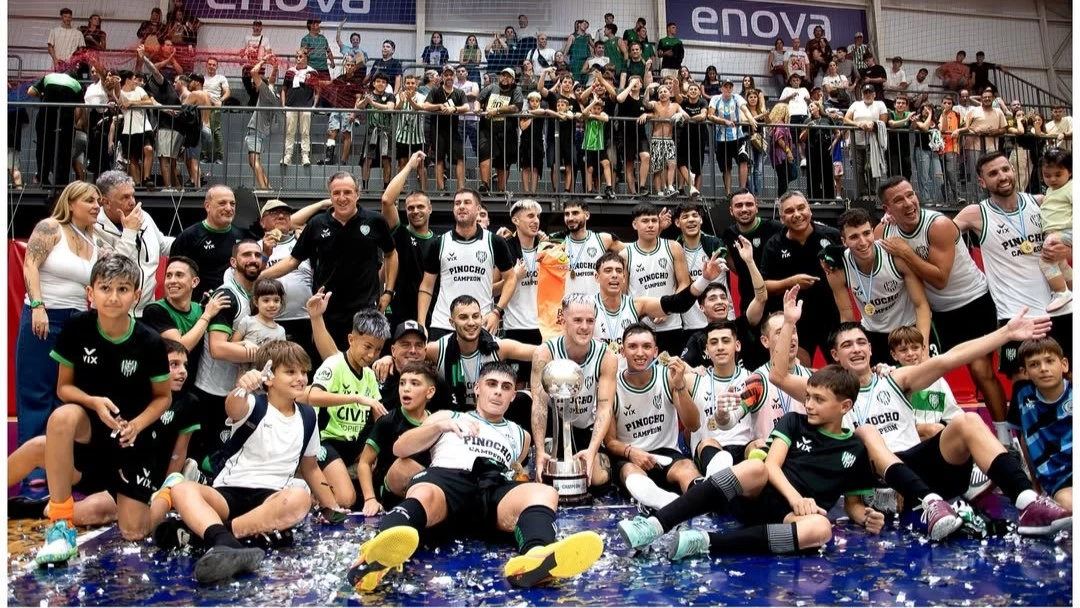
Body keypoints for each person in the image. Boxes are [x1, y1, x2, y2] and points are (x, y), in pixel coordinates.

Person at [772, 287, 1072, 537]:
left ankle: (1027, 502)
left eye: (862, 342)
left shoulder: (896, 378)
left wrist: (1005, 334)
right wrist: (788, 323)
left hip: (920, 465)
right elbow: (780, 377)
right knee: (866, 432)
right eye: (847, 345)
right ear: (835, 355)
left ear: (871, 349)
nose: (857, 349)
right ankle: (931, 503)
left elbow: (949, 359)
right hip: (879, 481)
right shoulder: (827, 391)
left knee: (967, 420)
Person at [616, 365, 945, 559]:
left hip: (790, 518)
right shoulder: (793, 421)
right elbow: (772, 467)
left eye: (819, 400)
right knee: (755, 467)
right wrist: (797, 498)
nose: (810, 404)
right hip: (761, 497)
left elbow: (853, 503)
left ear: (845, 406)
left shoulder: (856, 450)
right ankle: (655, 525)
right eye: (808, 397)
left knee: (822, 528)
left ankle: (703, 543)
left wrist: (865, 517)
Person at [346, 361, 604, 592]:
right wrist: (439, 427)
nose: (498, 392)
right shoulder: (449, 416)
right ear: (477, 389)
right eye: (491, 384)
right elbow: (399, 449)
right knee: (424, 491)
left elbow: (515, 470)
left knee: (545, 492)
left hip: (492, 485)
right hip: (448, 479)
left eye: (505, 387)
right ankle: (374, 558)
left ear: (513, 395)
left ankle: (534, 558)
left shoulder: (520, 436)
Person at [158, 341, 346, 584]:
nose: (300, 378)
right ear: (268, 378)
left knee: (301, 497)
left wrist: (331, 505)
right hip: (229, 491)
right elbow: (233, 406)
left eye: (303, 372)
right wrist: (242, 387)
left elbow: (310, 467)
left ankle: (218, 538)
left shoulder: (308, 416)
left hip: (271, 498)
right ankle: (233, 540)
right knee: (182, 488)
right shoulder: (254, 404)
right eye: (290, 372)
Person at [34, 255, 172, 565]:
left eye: (123, 289)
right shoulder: (76, 328)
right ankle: (61, 524)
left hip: (131, 440)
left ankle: (165, 495)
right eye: (105, 288)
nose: (112, 297)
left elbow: (163, 397)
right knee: (61, 418)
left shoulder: (149, 341)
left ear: (136, 295)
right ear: (90, 293)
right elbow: (63, 389)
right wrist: (94, 402)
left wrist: (136, 424)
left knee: (136, 533)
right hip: (91, 430)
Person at [875, 176, 1010, 444]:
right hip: (938, 311)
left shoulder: (938, 225)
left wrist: (906, 252)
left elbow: (940, 279)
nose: (908, 203)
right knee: (926, 371)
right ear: (887, 209)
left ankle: (1006, 439)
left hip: (972, 301)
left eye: (911, 195)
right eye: (898, 200)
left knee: (979, 369)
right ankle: (922, 440)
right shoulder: (884, 233)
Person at [8, 339, 197, 523]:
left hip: (138, 481)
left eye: (184, 365)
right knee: (39, 446)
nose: (182, 372)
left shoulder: (188, 403)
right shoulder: (133, 391)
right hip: (105, 466)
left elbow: (178, 453)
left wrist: (165, 490)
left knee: (95, 509)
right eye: (174, 364)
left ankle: (36, 508)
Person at [952, 153, 1073, 380]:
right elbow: (936, 233)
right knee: (1022, 388)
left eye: (1005, 169)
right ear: (982, 182)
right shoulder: (975, 214)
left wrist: (1069, 250)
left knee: (1071, 383)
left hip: (1061, 309)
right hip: (1016, 316)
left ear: (1013, 171)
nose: (1002, 176)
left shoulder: (1041, 203)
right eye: (993, 173)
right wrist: (891, 220)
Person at [15, 181, 101, 486]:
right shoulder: (50, 227)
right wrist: (38, 305)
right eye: (89, 200)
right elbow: (30, 265)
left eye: (98, 201)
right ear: (72, 201)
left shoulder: (95, 240)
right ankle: (35, 469)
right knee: (37, 392)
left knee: (67, 394)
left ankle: (64, 465)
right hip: (45, 315)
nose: (96, 205)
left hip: (78, 322)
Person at [260, 172, 397, 350]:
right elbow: (293, 260)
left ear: (358, 194)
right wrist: (261, 276)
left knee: (363, 364)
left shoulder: (375, 221)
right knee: (329, 366)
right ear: (330, 195)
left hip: (365, 310)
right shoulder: (317, 224)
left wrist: (388, 292)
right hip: (327, 312)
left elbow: (391, 254)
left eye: (347, 192)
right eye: (336, 193)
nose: (342, 198)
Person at [604, 324, 703, 511]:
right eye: (633, 346)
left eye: (647, 346)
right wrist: (632, 452)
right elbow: (609, 441)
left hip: (666, 454)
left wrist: (680, 385)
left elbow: (694, 424)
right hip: (630, 455)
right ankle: (668, 505)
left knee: (687, 469)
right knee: (630, 473)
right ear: (623, 351)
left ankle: (701, 509)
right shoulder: (612, 385)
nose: (640, 353)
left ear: (656, 351)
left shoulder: (667, 377)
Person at [303, 309, 392, 509]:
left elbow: (379, 415)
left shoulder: (369, 375)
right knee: (345, 499)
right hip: (325, 441)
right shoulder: (334, 364)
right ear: (351, 339)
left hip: (352, 446)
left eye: (378, 350)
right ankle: (306, 483)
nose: (371, 355)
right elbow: (313, 396)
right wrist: (357, 398)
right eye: (367, 347)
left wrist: (372, 447)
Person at [530, 294, 619, 488]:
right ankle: (543, 449)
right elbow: (539, 406)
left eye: (590, 320)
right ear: (563, 320)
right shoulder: (545, 353)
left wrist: (593, 450)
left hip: (585, 427)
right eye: (577, 320)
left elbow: (604, 408)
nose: (585, 327)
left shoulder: (607, 356)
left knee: (596, 480)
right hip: (556, 428)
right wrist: (539, 450)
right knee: (548, 478)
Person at [825, 208, 931, 365]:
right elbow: (847, 316)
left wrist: (924, 348)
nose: (862, 242)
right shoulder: (837, 268)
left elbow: (921, 305)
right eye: (854, 237)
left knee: (922, 383)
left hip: (908, 329)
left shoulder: (894, 256)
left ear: (873, 232)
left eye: (866, 233)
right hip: (873, 334)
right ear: (843, 241)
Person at [417, 190, 515, 340]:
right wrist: (421, 323)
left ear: (478, 209)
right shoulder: (439, 243)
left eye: (467, 202)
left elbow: (511, 278)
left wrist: (497, 312)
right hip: (444, 323)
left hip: (480, 322)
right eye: (457, 203)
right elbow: (426, 286)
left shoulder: (495, 242)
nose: (461, 206)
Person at [760, 191, 842, 365]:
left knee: (841, 369)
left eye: (801, 208)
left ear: (810, 211)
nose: (797, 214)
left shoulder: (832, 236)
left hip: (832, 316)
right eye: (789, 211)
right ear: (782, 218)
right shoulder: (774, 245)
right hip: (797, 321)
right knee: (800, 370)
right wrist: (791, 282)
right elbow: (764, 285)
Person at [355, 361, 438, 516]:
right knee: (404, 466)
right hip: (391, 492)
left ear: (430, 392)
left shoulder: (436, 423)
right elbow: (365, 463)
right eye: (402, 383)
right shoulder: (387, 421)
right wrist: (370, 499)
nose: (406, 388)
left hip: (426, 490)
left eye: (414, 383)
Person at [141, 256, 228, 391]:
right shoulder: (155, 310)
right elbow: (180, 347)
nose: (172, 281)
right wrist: (207, 315)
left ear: (194, 282)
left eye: (179, 275)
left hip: (193, 388)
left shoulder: (200, 309)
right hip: (162, 389)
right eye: (168, 276)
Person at [680, 237, 768, 371]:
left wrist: (749, 262)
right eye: (713, 298)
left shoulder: (742, 325)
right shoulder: (697, 339)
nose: (720, 301)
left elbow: (761, 298)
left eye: (723, 297)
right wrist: (692, 371)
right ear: (701, 307)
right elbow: (682, 366)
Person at [93, 171, 173, 317]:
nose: (132, 202)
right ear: (106, 202)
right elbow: (112, 268)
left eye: (133, 195)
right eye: (125, 197)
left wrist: (192, 239)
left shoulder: (144, 217)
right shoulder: (94, 227)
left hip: (147, 312)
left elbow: (163, 245)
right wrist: (130, 232)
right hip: (112, 314)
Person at [1009, 338, 1072, 511]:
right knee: (1068, 506)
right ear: (1025, 372)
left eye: (1050, 361)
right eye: (1035, 364)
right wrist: (1035, 485)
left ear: (1064, 364)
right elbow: (1025, 438)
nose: (1044, 369)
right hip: (1058, 480)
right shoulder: (1022, 395)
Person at [621, 204, 691, 355]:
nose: (650, 225)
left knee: (670, 372)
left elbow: (684, 282)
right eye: (645, 221)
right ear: (635, 224)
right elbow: (623, 295)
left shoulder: (673, 247)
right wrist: (643, 311)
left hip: (671, 325)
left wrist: (668, 308)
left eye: (654, 220)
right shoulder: (625, 255)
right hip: (640, 327)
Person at [170, 186, 248, 301]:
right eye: (222, 203)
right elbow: (174, 278)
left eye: (232, 204)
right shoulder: (188, 237)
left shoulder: (242, 236)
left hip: (234, 308)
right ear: (207, 206)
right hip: (199, 308)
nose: (228, 208)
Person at [888, 326, 963, 440]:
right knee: (934, 430)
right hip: (903, 437)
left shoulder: (937, 379)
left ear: (923, 349)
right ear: (894, 355)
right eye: (903, 350)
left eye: (915, 348)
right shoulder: (889, 380)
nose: (910, 353)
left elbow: (954, 414)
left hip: (934, 436)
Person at [28, 68, 83, 188]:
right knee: (64, 152)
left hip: (46, 117)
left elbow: (30, 92)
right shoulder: (77, 85)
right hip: (65, 121)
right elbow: (79, 108)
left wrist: (42, 94)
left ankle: (42, 178)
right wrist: (74, 123)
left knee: (43, 148)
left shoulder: (49, 77)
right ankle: (61, 184)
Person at [1033, 149, 1073, 311]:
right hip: (1056, 231)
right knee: (1061, 264)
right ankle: (1072, 289)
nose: (1052, 179)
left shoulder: (1071, 188)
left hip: (1065, 230)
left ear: (1070, 172)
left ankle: (1061, 292)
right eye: (1047, 175)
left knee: (1046, 258)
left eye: (1058, 174)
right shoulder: (1051, 191)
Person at [560, 200, 625, 297]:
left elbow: (631, 251)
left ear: (587, 215)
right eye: (567, 214)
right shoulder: (560, 243)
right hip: (570, 307)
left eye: (575, 213)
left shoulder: (602, 239)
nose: (570, 218)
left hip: (597, 306)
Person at [477, 68, 524, 193]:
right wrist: (477, 109)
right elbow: (478, 100)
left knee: (504, 161)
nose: (505, 78)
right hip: (487, 128)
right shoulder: (491, 87)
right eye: (503, 75)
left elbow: (516, 107)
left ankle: (501, 190)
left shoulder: (516, 90)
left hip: (507, 130)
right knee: (485, 153)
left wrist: (497, 111)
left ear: (513, 79)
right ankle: (485, 185)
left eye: (508, 76)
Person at [423, 67, 469, 193]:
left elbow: (466, 107)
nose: (449, 77)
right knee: (439, 159)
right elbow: (425, 105)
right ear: (443, 77)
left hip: (454, 130)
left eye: (451, 75)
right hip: (438, 130)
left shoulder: (459, 93)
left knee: (460, 159)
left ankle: (461, 189)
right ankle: (441, 189)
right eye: (446, 75)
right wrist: (438, 106)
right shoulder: (435, 91)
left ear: (454, 76)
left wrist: (453, 109)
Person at [229, 279, 287, 374]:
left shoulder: (281, 331)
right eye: (266, 300)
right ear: (256, 302)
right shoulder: (247, 322)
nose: (272, 305)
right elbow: (231, 345)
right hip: (244, 379)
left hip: (268, 381)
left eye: (276, 300)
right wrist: (245, 343)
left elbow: (281, 359)